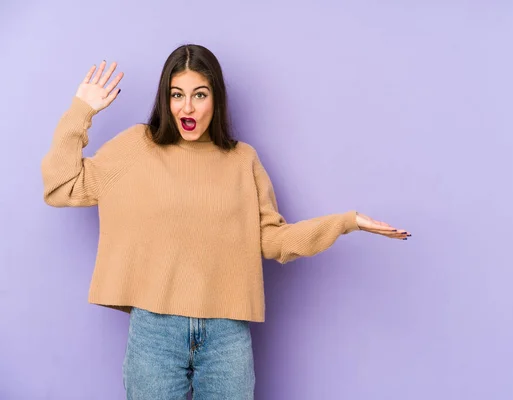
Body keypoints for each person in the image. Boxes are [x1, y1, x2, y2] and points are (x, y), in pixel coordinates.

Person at [41, 44, 411, 400]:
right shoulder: (137, 146)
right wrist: (81, 111)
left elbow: (271, 239)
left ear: (216, 99)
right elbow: (61, 186)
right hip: (155, 330)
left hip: (226, 335)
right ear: (165, 99)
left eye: (200, 94)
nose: (187, 106)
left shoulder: (242, 160)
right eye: (176, 94)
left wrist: (347, 222)